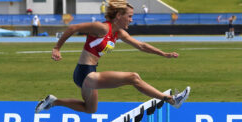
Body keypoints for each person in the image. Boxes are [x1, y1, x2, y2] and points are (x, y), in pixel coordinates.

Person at [35, 0, 191, 114]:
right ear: (118, 15)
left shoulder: (119, 33)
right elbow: (73, 27)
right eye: (129, 16)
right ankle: (171, 99)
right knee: (133, 77)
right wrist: (57, 48)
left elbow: (141, 45)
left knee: (90, 109)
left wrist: (163, 54)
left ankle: (53, 102)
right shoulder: (101, 27)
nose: (131, 19)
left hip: (91, 72)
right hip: (85, 73)